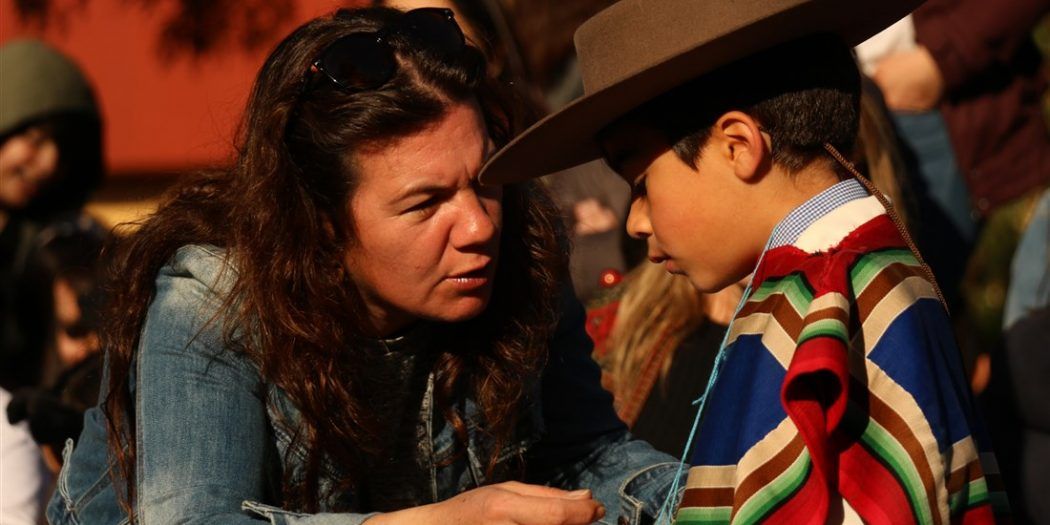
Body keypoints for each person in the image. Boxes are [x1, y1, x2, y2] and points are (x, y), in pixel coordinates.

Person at [48, 7, 679, 525]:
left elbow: (588, 457)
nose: (479, 226)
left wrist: (708, 497)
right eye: (425, 203)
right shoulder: (210, 299)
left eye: (485, 180)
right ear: (320, 221)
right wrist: (437, 523)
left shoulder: (521, 250)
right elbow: (196, 520)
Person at [479, 0, 1007, 522]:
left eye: (641, 185)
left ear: (738, 146)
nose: (636, 221)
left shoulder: (829, 302)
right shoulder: (842, 276)